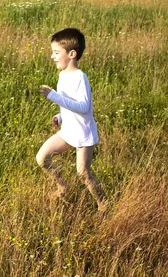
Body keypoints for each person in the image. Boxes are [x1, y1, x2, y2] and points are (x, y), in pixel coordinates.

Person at [37, 28, 107, 211]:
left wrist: (54, 96)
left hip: (83, 134)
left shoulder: (80, 77)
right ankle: (63, 187)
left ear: (72, 54)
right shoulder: (62, 75)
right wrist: (59, 117)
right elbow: (70, 104)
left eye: (56, 52)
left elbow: (84, 107)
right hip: (68, 131)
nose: (52, 56)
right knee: (42, 158)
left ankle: (103, 205)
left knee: (83, 173)